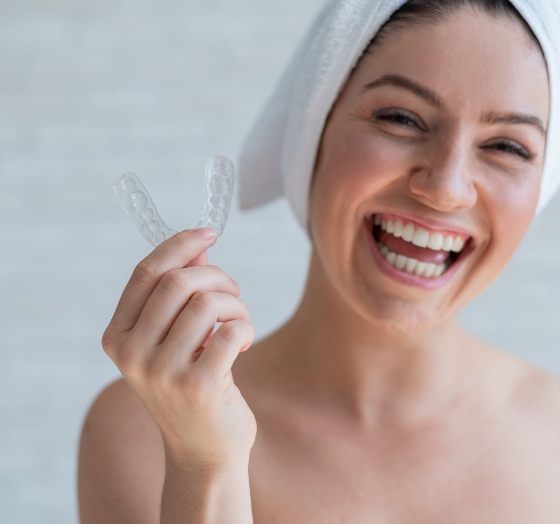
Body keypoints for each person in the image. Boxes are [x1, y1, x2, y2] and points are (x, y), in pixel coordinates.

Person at [77, 1, 560, 522]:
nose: (445, 189)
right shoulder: (142, 430)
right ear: (313, 133)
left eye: (508, 146)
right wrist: (204, 462)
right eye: (400, 118)